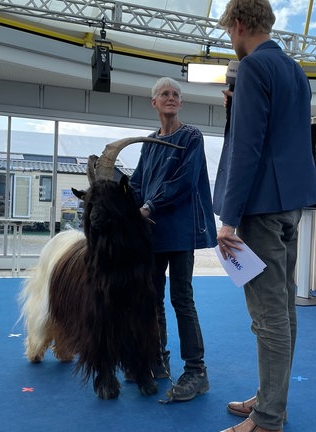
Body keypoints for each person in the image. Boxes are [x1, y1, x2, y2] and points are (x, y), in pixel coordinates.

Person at [214, 1, 316, 431]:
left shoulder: (254, 69)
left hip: (259, 207)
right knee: (284, 309)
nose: (231, 40)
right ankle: (271, 398)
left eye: (229, 32)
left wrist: (229, 219)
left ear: (239, 25)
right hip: (289, 205)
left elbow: (247, 149)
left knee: (268, 314)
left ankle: (268, 418)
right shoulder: (295, 70)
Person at [128, 76, 217, 402]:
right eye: (164, 94)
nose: (171, 98)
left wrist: (149, 205)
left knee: (182, 300)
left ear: (180, 103)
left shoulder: (191, 136)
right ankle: (158, 360)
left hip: (180, 233)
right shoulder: (150, 142)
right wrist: (118, 197)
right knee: (151, 301)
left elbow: (184, 182)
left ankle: (196, 371)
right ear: (154, 102)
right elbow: (138, 183)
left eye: (176, 94)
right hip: (152, 234)